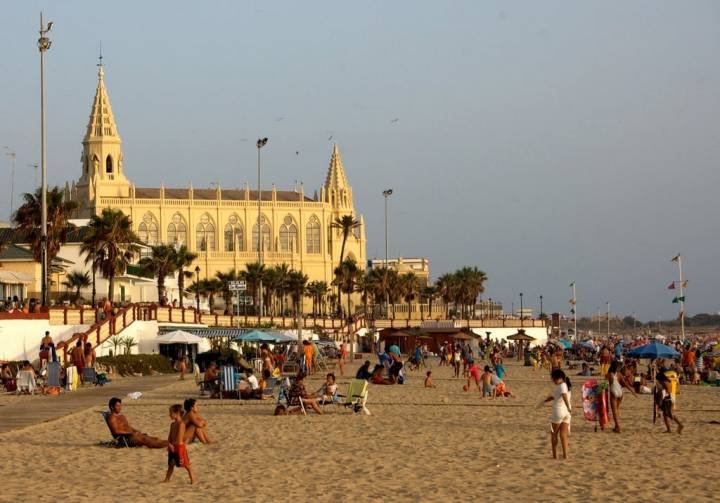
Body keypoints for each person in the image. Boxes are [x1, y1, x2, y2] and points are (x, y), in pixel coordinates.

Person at [543, 369, 571, 459]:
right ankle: (565, 455)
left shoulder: (562, 386)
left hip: (559, 411)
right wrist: (548, 399)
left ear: (559, 378)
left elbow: (564, 396)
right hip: (567, 413)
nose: (553, 381)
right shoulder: (566, 385)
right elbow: (557, 396)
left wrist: (567, 406)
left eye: (553, 379)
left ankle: (555, 455)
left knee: (554, 434)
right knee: (563, 434)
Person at [164, 404, 195, 484]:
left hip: (179, 447)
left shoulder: (181, 424)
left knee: (186, 465)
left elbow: (179, 438)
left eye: (171, 413)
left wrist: (173, 445)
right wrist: (169, 444)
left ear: (177, 413)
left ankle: (193, 479)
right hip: (172, 447)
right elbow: (170, 436)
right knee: (171, 465)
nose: (169, 415)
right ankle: (167, 479)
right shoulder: (172, 424)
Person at [607, 361, 635, 433]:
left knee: (614, 411)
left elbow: (609, 384)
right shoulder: (619, 374)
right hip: (620, 392)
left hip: (614, 392)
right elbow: (624, 383)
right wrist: (632, 391)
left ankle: (617, 427)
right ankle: (617, 426)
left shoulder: (610, 374)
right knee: (617, 409)